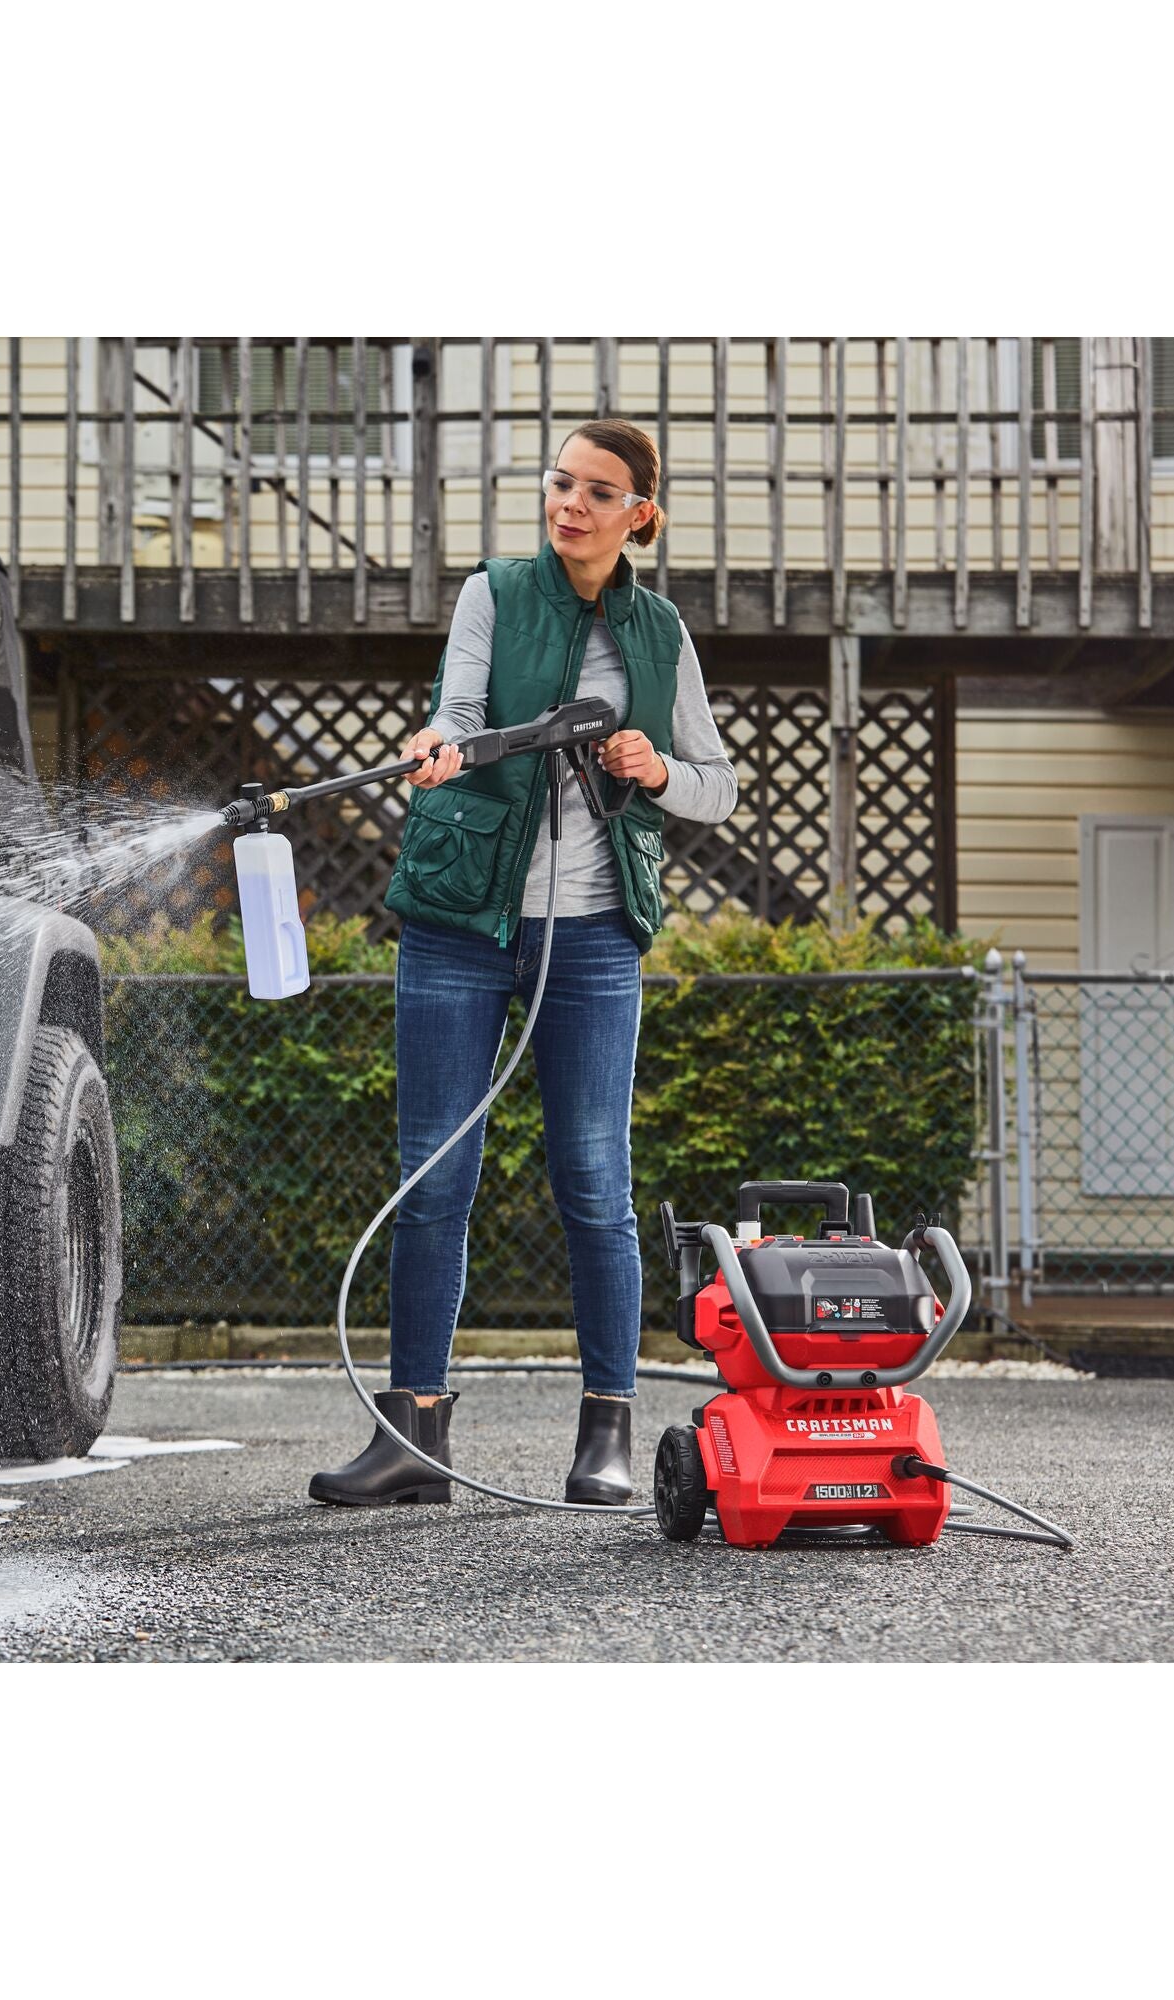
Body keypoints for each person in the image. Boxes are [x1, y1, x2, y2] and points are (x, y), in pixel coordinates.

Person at [309, 419, 737, 1509]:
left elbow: (716, 783)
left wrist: (653, 770)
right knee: (432, 1179)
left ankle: (604, 1430)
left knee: (593, 1183)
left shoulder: (659, 633)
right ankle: (410, 1433)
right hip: (458, 922)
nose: (569, 506)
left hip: (590, 936)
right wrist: (438, 745)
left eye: (597, 492)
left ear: (637, 512)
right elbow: (457, 710)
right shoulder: (492, 593)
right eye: (559, 483)